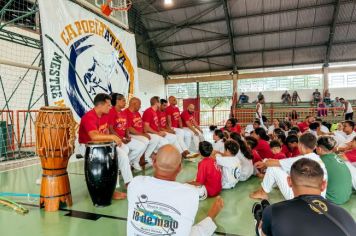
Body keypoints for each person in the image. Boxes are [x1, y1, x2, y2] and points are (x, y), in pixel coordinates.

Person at [126, 145, 224, 236]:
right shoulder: (190, 193)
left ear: (154, 162)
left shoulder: (135, 183)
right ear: (180, 168)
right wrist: (210, 217)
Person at [254, 158, 356, 236]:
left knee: (264, 226)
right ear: (324, 184)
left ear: (289, 181)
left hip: (273, 214)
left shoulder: (275, 210)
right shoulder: (345, 215)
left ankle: (259, 220)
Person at [78, 93, 131, 200]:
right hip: (88, 146)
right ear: (100, 105)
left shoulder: (105, 115)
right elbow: (93, 136)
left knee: (123, 154)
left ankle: (129, 183)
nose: (110, 107)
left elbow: (105, 130)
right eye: (108, 105)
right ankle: (112, 190)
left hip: (101, 145)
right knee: (114, 158)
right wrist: (112, 137)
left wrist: (112, 139)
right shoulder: (89, 117)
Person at [250, 133, 327, 200]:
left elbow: (272, 163)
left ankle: (262, 192)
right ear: (314, 147)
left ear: (300, 145)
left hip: (299, 198)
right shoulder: (317, 158)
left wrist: (264, 162)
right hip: (318, 197)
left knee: (273, 168)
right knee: (284, 169)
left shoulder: (301, 159)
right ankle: (272, 186)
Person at [109, 93, 147, 171]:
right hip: (115, 139)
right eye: (123, 101)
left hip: (124, 138)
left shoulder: (123, 112)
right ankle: (121, 166)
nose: (125, 102)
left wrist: (127, 136)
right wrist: (120, 139)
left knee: (141, 146)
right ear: (117, 101)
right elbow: (111, 129)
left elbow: (126, 127)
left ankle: (127, 163)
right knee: (125, 149)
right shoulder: (111, 112)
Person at [316, 136, 352, 205]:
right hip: (346, 196)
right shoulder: (337, 157)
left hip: (333, 199)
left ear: (319, 149)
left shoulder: (320, 162)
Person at [125, 97, 159, 166]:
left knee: (155, 139)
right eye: (139, 104)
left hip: (140, 134)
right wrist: (142, 134)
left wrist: (145, 132)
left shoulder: (137, 113)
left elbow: (142, 124)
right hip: (133, 134)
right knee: (145, 140)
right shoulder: (126, 113)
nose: (140, 106)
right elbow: (130, 129)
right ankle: (134, 161)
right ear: (134, 104)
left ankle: (146, 157)